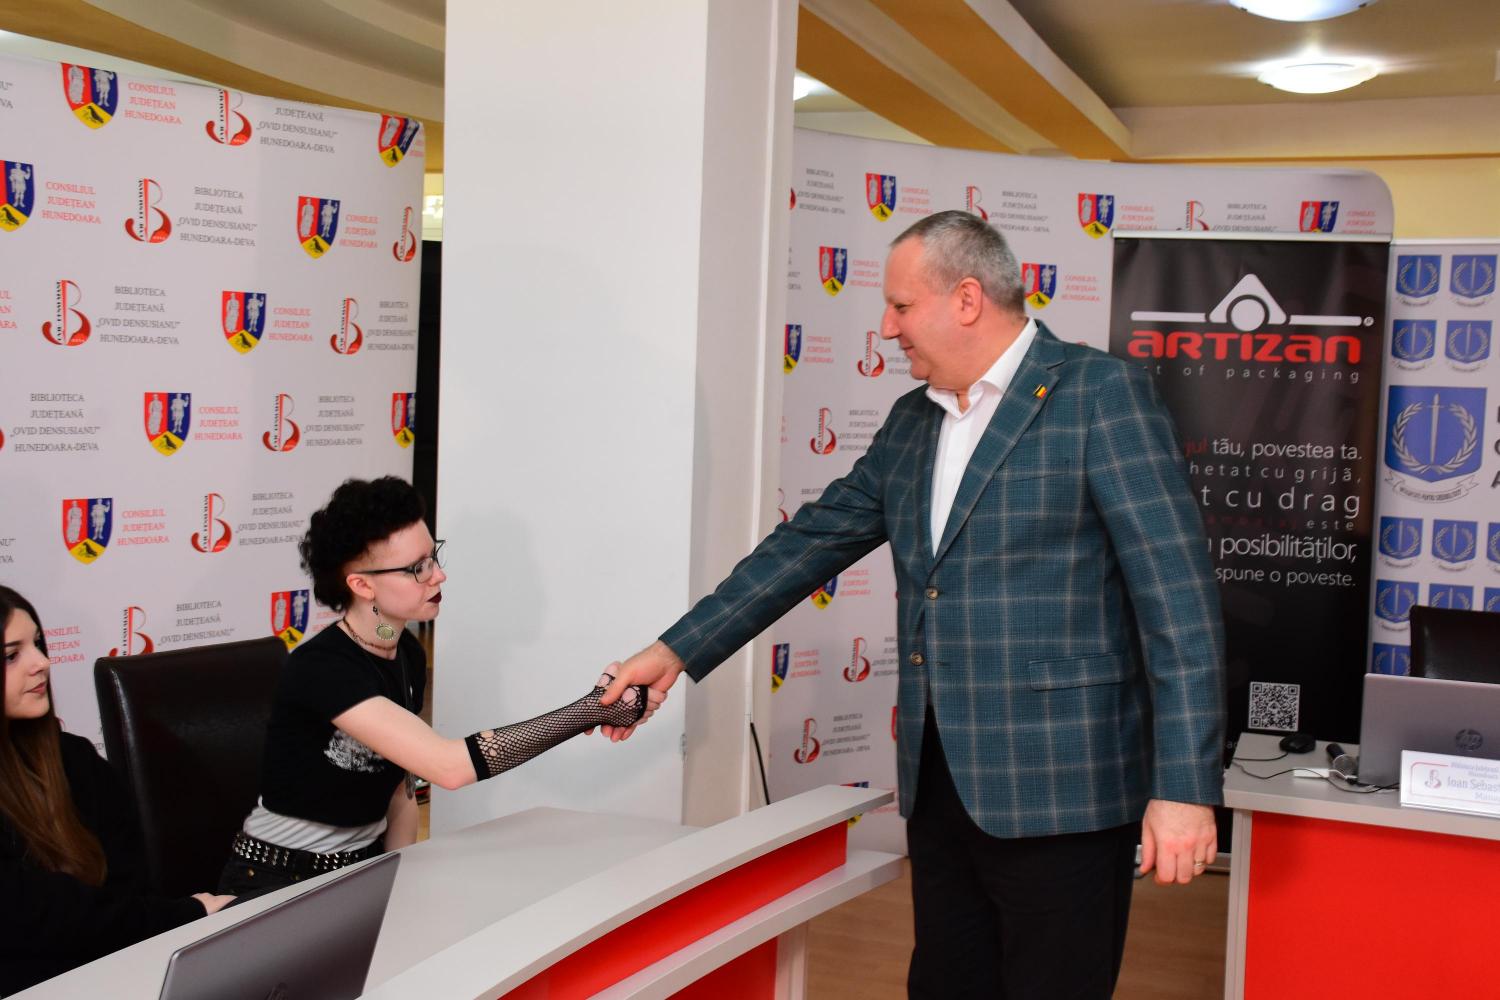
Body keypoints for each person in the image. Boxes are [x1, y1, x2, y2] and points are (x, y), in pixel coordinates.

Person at [598, 210, 1226, 998]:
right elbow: (808, 545)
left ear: (967, 299)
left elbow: (1179, 604)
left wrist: (1185, 787)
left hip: (1065, 788)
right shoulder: (911, 421)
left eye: (900, 306)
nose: (887, 328)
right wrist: (675, 651)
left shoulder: (1099, 394)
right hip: (941, 786)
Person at [219, 477, 659, 896]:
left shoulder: (404, 653)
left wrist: (401, 889)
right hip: (277, 877)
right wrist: (593, 708)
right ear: (362, 585)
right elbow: (448, 768)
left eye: (433, 557)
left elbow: (400, 795)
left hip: (356, 872)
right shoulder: (322, 668)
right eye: (417, 568)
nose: (438, 576)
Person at [0, 586, 231, 996]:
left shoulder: (74, 759)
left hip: (117, 971)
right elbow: (33, 914)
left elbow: (126, 888)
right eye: (11, 656)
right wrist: (183, 915)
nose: (41, 663)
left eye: (37, 644)